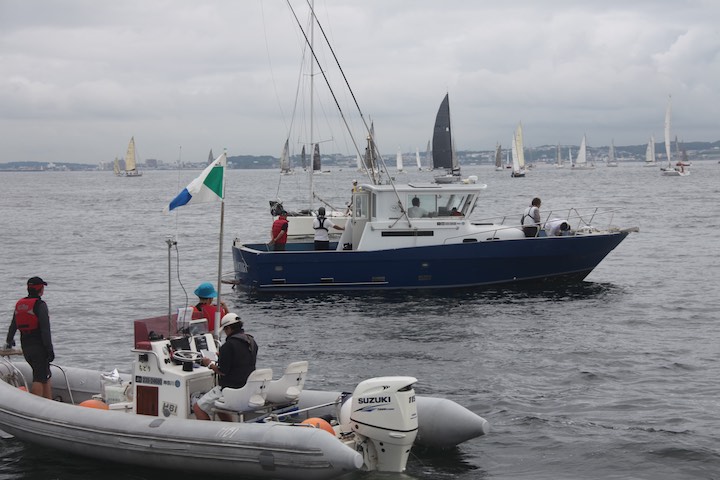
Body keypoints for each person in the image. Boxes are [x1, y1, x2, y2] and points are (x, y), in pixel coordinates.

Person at [193, 313, 259, 421]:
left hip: (230, 388)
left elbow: (222, 371)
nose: (225, 332)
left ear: (228, 328)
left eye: (225, 330)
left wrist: (209, 364)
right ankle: (228, 427)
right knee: (219, 408)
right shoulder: (251, 341)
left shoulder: (228, 345)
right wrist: (223, 356)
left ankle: (208, 430)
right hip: (246, 386)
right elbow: (241, 360)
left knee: (198, 408)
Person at [5, 277, 54, 399]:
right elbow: (45, 330)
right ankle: (36, 404)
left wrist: (9, 341)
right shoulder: (40, 305)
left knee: (44, 374)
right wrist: (49, 349)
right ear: (40, 290)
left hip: (26, 346)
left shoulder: (20, 305)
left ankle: (49, 403)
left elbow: (13, 326)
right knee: (39, 378)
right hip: (39, 347)